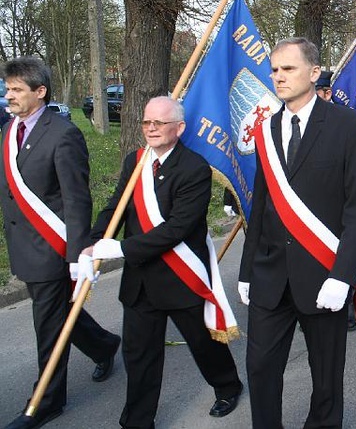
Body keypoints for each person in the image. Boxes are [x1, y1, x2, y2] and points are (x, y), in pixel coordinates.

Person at [238, 38, 356, 428]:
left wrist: (342, 276)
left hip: (323, 272)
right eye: (275, 70)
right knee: (261, 369)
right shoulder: (265, 128)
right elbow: (260, 205)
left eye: (289, 69)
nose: (278, 76)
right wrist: (247, 270)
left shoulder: (346, 124)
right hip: (270, 275)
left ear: (314, 73)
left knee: (326, 377)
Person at [88, 96, 243, 429]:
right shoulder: (135, 162)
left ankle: (228, 386)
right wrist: (95, 241)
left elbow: (178, 227)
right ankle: (138, 420)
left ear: (179, 127)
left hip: (181, 276)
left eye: (158, 122)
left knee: (204, 343)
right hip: (141, 280)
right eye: (146, 122)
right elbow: (115, 207)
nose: (151, 129)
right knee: (138, 354)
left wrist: (121, 249)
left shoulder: (194, 168)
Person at [0, 57, 121, 429]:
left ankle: (46, 401)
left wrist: (76, 254)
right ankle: (104, 345)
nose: (9, 95)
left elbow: (76, 198)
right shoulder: (8, 131)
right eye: (7, 88)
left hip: (52, 248)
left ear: (40, 92)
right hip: (23, 244)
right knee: (55, 314)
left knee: (47, 324)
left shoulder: (63, 133)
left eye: (17, 89)